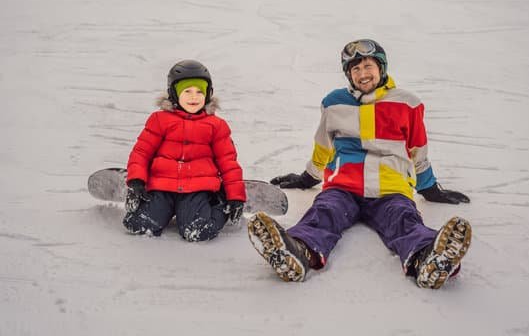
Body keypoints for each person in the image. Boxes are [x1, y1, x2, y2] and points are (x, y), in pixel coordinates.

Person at [247, 39, 472, 289]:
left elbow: (418, 149)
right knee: (324, 213)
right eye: (355, 69)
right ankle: (297, 252)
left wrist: (429, 187)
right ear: (348, 74)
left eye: (368, 66)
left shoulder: (407, 103)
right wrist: (308, 177)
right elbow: (323, 146)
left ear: (382, 68)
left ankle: (429, 258)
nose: (362, 74)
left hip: (389, 189)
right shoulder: (334, 103)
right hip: (344, 188)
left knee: (403, 219)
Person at [123, 60, 246, 241]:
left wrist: (235, 195)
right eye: (187, 91)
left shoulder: (216, 125)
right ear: (174, 94)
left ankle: (220, 204)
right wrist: (136, 180)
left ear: (208, 94)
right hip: (162, 186)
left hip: (196, 188)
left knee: (197, 232)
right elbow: (141, 152)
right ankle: (153, 206)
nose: (193, 97)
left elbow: (228, 161)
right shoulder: (159, 120)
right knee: (139, 225)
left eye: (199, 92)